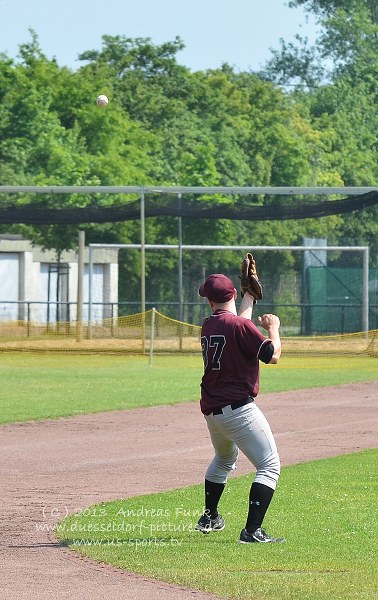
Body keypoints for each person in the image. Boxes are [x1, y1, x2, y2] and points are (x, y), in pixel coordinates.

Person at [195, 272, 285, 543]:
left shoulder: (209, 325)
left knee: (223, 460)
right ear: (232, 294)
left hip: (213, 413)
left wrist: (249, 297)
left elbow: (239, 323)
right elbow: (273, 356)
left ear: (210, 302)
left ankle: (210, 517)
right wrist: (273, 328)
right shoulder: (239, 327)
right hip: (239, 411)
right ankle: (251, 531)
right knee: (269, 466)